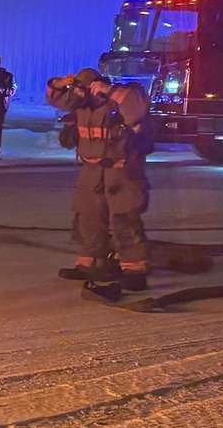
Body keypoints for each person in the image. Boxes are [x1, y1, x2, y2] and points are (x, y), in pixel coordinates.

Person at [45, 67, 156, 294]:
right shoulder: (81, 104)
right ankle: (91, 263)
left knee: (124, 218)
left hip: (121, 169)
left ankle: (135, 271)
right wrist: (59, 83)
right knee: (88, 216)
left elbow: (136, 108)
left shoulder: (118, 98)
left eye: (83, 89)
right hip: (92, 169)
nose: (78, 94)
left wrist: (109, 90)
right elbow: (55, 98)